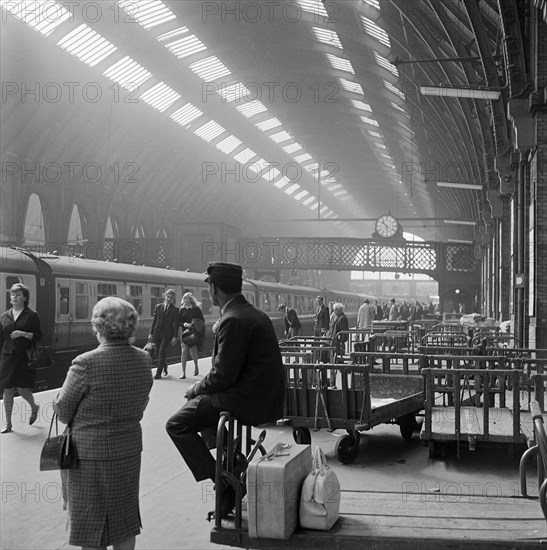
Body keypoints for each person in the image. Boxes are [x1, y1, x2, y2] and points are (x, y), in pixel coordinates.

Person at [165, 262, 285, 518]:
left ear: (214, 288)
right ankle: (231, 459)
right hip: (261, 394)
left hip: (247, 399)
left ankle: (224, 483)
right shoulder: (251, 313)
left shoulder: (233, 320)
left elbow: (222, 375)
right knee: (198, 406)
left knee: (176, 424)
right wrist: (200, 391)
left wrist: (195, 387)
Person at [53, 297, 153, 550]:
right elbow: (141, 403)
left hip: (88, 455)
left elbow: (63, 412)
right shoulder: (143, 360)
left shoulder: (85, 363)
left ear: (99, 326)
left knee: (91, 524)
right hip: (128, 451)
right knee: (124, 521)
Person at [0, 283, 42, 433]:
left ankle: (34, 407)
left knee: (23, 389)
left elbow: (38, 336)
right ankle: (9, 424)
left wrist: (22, 333)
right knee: (8, 389)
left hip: (24, 356)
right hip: (7, 357)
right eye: (12, 294)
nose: (14, 297)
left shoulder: (32, 315)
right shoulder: (4, 316)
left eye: (18, 294)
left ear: (25, 297)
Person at [148, 288, 179, 379]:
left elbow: (176, 325)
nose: (169, 299)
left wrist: (174, 337)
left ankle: (158, 373)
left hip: (167, 334)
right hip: (157, 333)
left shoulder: (175, 309)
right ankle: (164, 366)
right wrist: (151, 333)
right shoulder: (158, 307)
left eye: (171, 298)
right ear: (164, 296)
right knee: (158, 352)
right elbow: (154, 321)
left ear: (173, 298)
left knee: (161, 351)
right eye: (168, 297)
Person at [179, 292, 205, 379]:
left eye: (187, 298)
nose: (185, 300)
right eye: (184, 298)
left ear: (191, 300)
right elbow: (179, 321)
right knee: (183, 352)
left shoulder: (196, 309)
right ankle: (183, 373)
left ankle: (196, 366)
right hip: (184, 333)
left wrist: (193, 324)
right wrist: (185, 324)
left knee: (193, 352)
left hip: (193, 333)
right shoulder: (182, 310)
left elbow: (202, 320)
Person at [327, 303, 349, 386]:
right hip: (338, 341)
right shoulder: (340, 317)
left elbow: (344, 331)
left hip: (339, 342)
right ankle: (339, 370)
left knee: (339, 357)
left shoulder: (342, 318)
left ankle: (340, 377)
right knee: (337, 357)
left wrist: (341, 340)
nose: (334, 311)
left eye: (334, 310)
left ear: (338, 310)